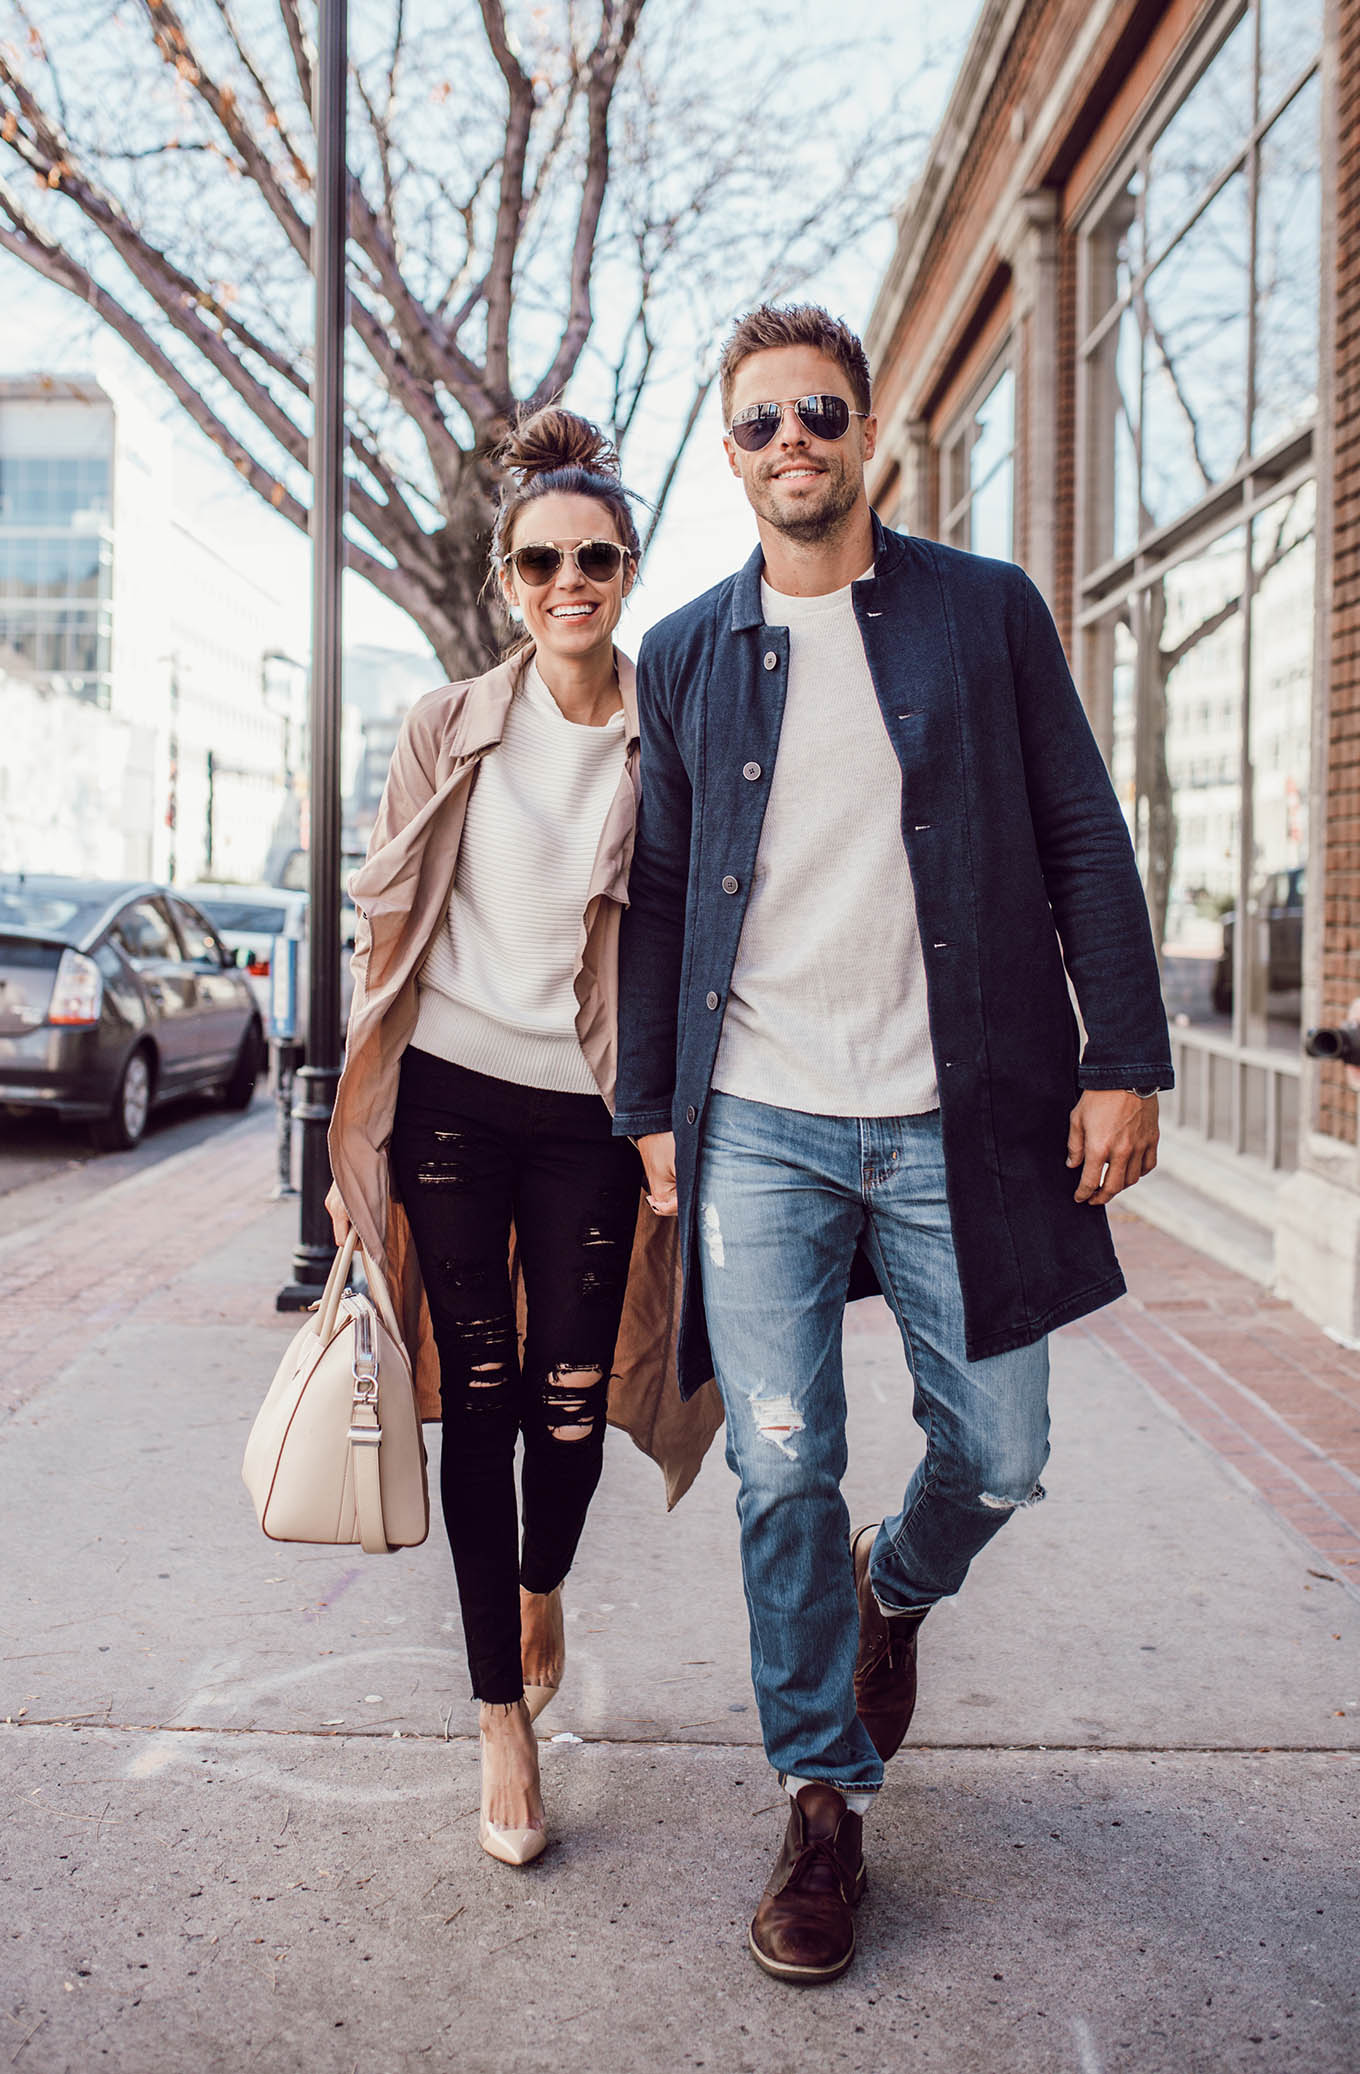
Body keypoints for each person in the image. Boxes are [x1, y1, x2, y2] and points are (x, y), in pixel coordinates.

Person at [613, 304, 1172, 1982]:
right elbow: (654, 896)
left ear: (871, 436)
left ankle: (897, 1581)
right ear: (730, 454)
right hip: (763, 1124)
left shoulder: (981, 615)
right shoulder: (690, 651)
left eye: (821, 416)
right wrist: (651, 1103)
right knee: (780, 1462)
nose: (794, 443)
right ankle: (822, 1798)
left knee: (1001, 1450)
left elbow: (1083, 832)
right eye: (763, 422)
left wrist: (1124, 1055)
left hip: (961, 1112)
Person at [325, 408, 720, 1869]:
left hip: (591, 1114)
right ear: (509, 579)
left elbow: (688, 924)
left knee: (572, 1401)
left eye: (597, 557)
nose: (572, 580)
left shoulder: (665, 726)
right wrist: (351, 1123)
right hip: (448, 1096)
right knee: (481, 1395)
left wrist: (676, 1107)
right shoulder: (446, 723)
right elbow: (390, 920)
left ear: (627, 570)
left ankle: (545, 1578)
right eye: (543, 559)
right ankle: (501, 1713)